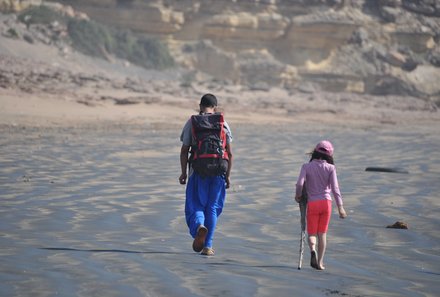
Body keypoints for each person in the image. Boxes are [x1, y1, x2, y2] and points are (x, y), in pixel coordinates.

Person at [179, 93, 233, 256]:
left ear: (200, 106)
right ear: (215, 107)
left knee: (195, 205)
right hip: (218, 171)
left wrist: (183, 173)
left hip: (198, 170)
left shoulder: (193, 122)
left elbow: (184, 151)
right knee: (213, 208)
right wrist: (228, 176)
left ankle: (199, 227)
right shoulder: (223, 124)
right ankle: (208, 246)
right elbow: (229, 154)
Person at [295, 140, 347, 270]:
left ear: (315, 152)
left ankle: (313, 250)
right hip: (326, 203)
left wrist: (298, 195)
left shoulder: (306, 167)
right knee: (322, 234)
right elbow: (335, 188)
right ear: (329, 155)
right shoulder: (331, 168)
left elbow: (300, 184)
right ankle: (320, 262)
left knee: (312, 233)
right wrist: (340, 207)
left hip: (313, 203)